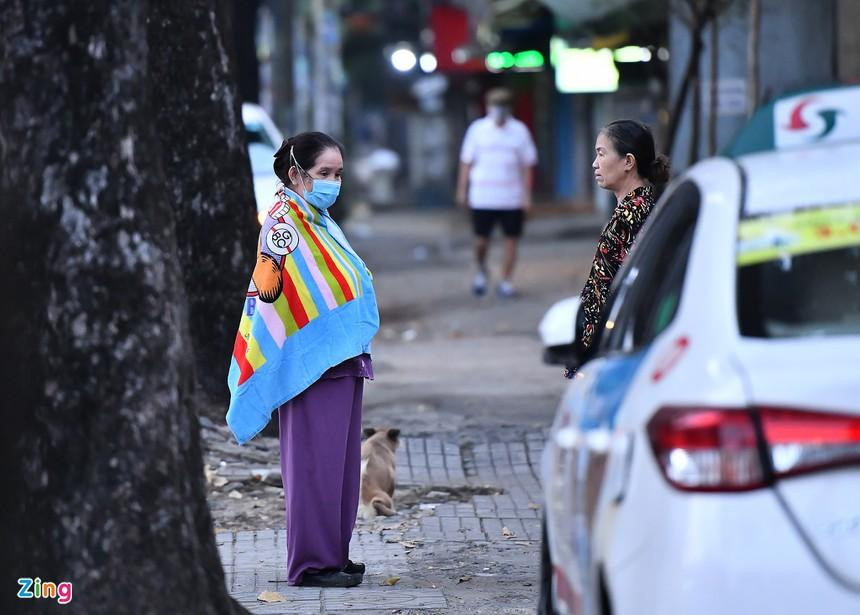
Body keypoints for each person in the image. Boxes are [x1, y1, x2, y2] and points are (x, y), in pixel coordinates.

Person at [226, 131, 380, 588]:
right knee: (314, 465)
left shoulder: (316, 217)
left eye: (338, 173)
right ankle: (311, 564)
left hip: (339, 357)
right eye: (323, 174)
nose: (334, 182)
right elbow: (272, 292)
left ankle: (334, 553)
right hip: (310, 364)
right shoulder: (284, 223)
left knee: (340, 464)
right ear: (296, 173)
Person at [569, 120, 670, 375]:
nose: (595, 163)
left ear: (628, 162)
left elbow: (606, 291)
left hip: (616, 348)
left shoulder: (628, 217)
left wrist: (583, 354)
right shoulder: (650, 204)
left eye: (601, 154)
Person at [456, 87, 537, 298]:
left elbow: (527, 165)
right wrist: (462, 190)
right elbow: (466, 162)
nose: (499, 110)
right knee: (481, 241)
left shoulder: (519, 131)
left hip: (511, 198)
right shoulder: (477, 130)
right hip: (483, 197)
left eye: (503, 105)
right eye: (495, 105)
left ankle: (506, 280)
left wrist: (527, 196)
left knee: (511, 240)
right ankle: (482, 270)